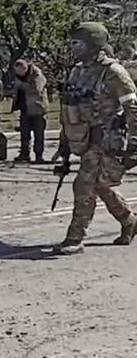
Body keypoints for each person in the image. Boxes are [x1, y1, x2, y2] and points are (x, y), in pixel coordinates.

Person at [55, 22, 137, 255]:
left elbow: (132, 108)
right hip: (84, 137)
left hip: (108, 139)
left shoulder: (113, 72)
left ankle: (75, 237)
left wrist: (134, 144)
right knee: (101, 186)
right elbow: (69, 106)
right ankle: (129, 220)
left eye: (76, 43)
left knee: (83, 185)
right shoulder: (77, 71)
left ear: (92, 44)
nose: (72, 48)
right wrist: (65, 141)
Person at [13, 57, 49, 163]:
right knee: (24, 133)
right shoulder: (19, 77)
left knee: (39, 134)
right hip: (25, 108)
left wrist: (22, 85)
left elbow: (37, 89)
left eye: (20, 71)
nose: (19, 74)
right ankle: (24, 154)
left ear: (25, 68)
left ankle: (39, 156)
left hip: (37, 108)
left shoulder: (37, 74)